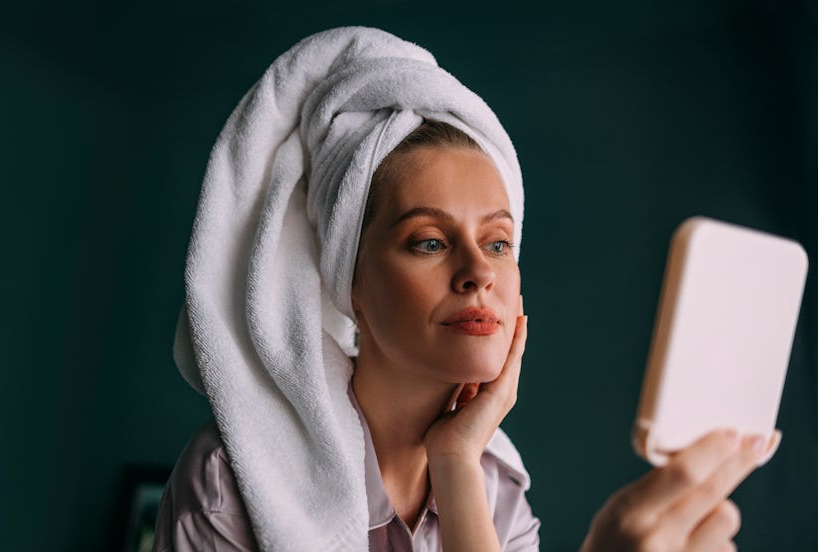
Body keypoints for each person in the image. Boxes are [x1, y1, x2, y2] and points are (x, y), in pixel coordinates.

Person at [154, 27, 769, 552]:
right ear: (352, 284)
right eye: (429, 241)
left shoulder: (497, 493)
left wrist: (456, 465)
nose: (480, 270)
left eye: (498, 243)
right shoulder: (231, 481)